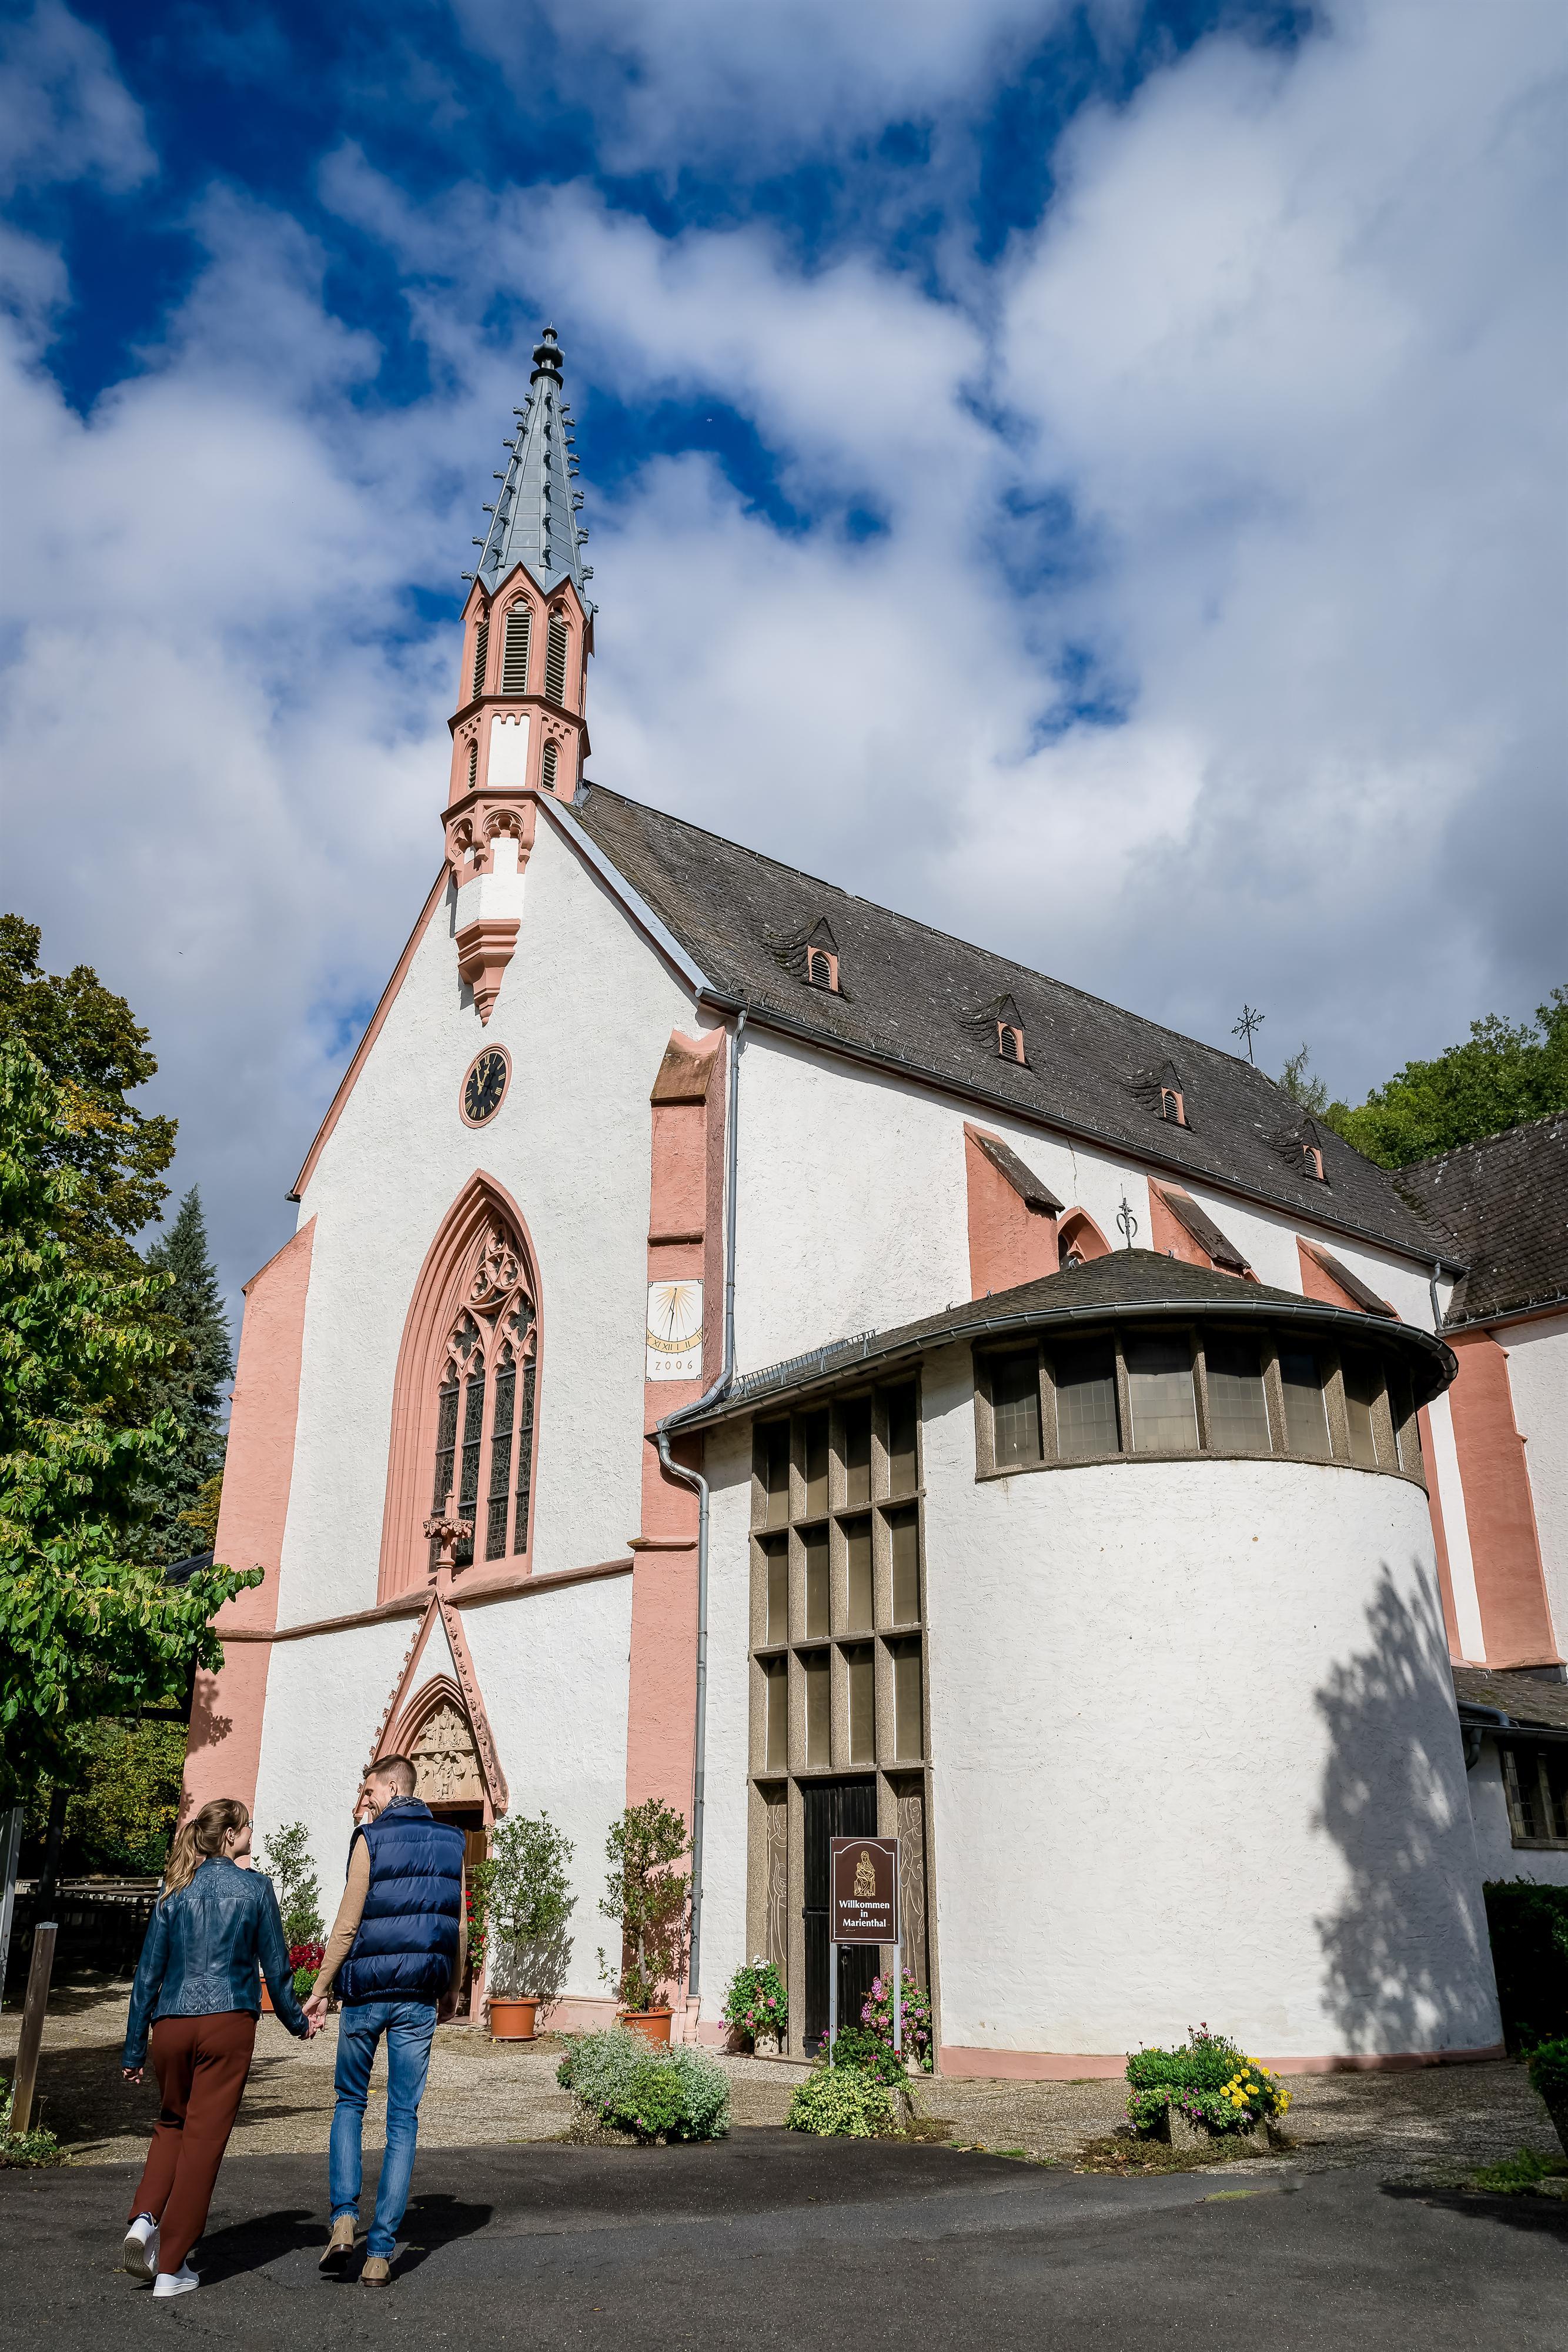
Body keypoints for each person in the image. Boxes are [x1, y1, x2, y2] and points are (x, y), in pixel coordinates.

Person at [121, 1796, 316, 2298]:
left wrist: (132, 2051)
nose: (253, 1831)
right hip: (227, 2021)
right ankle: (171, 2268)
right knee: (204, 2141)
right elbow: (276, 1968)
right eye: (247, 1825)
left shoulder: (174, 1887)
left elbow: (148, 1974)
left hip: (170, 2023)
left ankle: (144, 2219)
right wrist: (298, 2023)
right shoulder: (255, 1888)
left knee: (171, 2125)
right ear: (229, 1835)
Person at [306, 1755, 466, 2286]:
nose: (364, 1798)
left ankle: (344, 2219)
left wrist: (320, 1988)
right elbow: (458, 1926)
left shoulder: (369, 1839)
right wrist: (454, 1988)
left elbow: (347, 1923)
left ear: (393, 1786)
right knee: (403, 2118)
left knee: (351, 2102)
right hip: (419, 1996)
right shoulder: (452, 1842)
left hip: (366, 1996)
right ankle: (379, 2254)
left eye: (368, 1788)